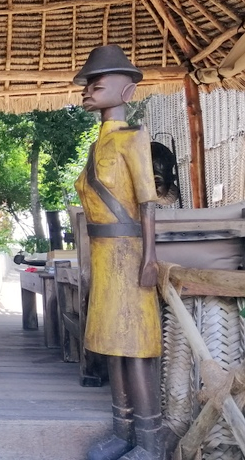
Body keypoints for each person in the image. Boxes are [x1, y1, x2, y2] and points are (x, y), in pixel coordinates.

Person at [73, 45, 168, 460]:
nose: (88, 90)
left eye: (98, 83)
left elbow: (147, 202)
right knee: (112, 344)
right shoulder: (97, 146)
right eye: (88, 84)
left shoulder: (134, 138)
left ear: (127, 93)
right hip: (103, 255)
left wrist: (150, 258)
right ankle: (122, 429)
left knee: (136, 346)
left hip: (130, 254)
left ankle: (149, 439)